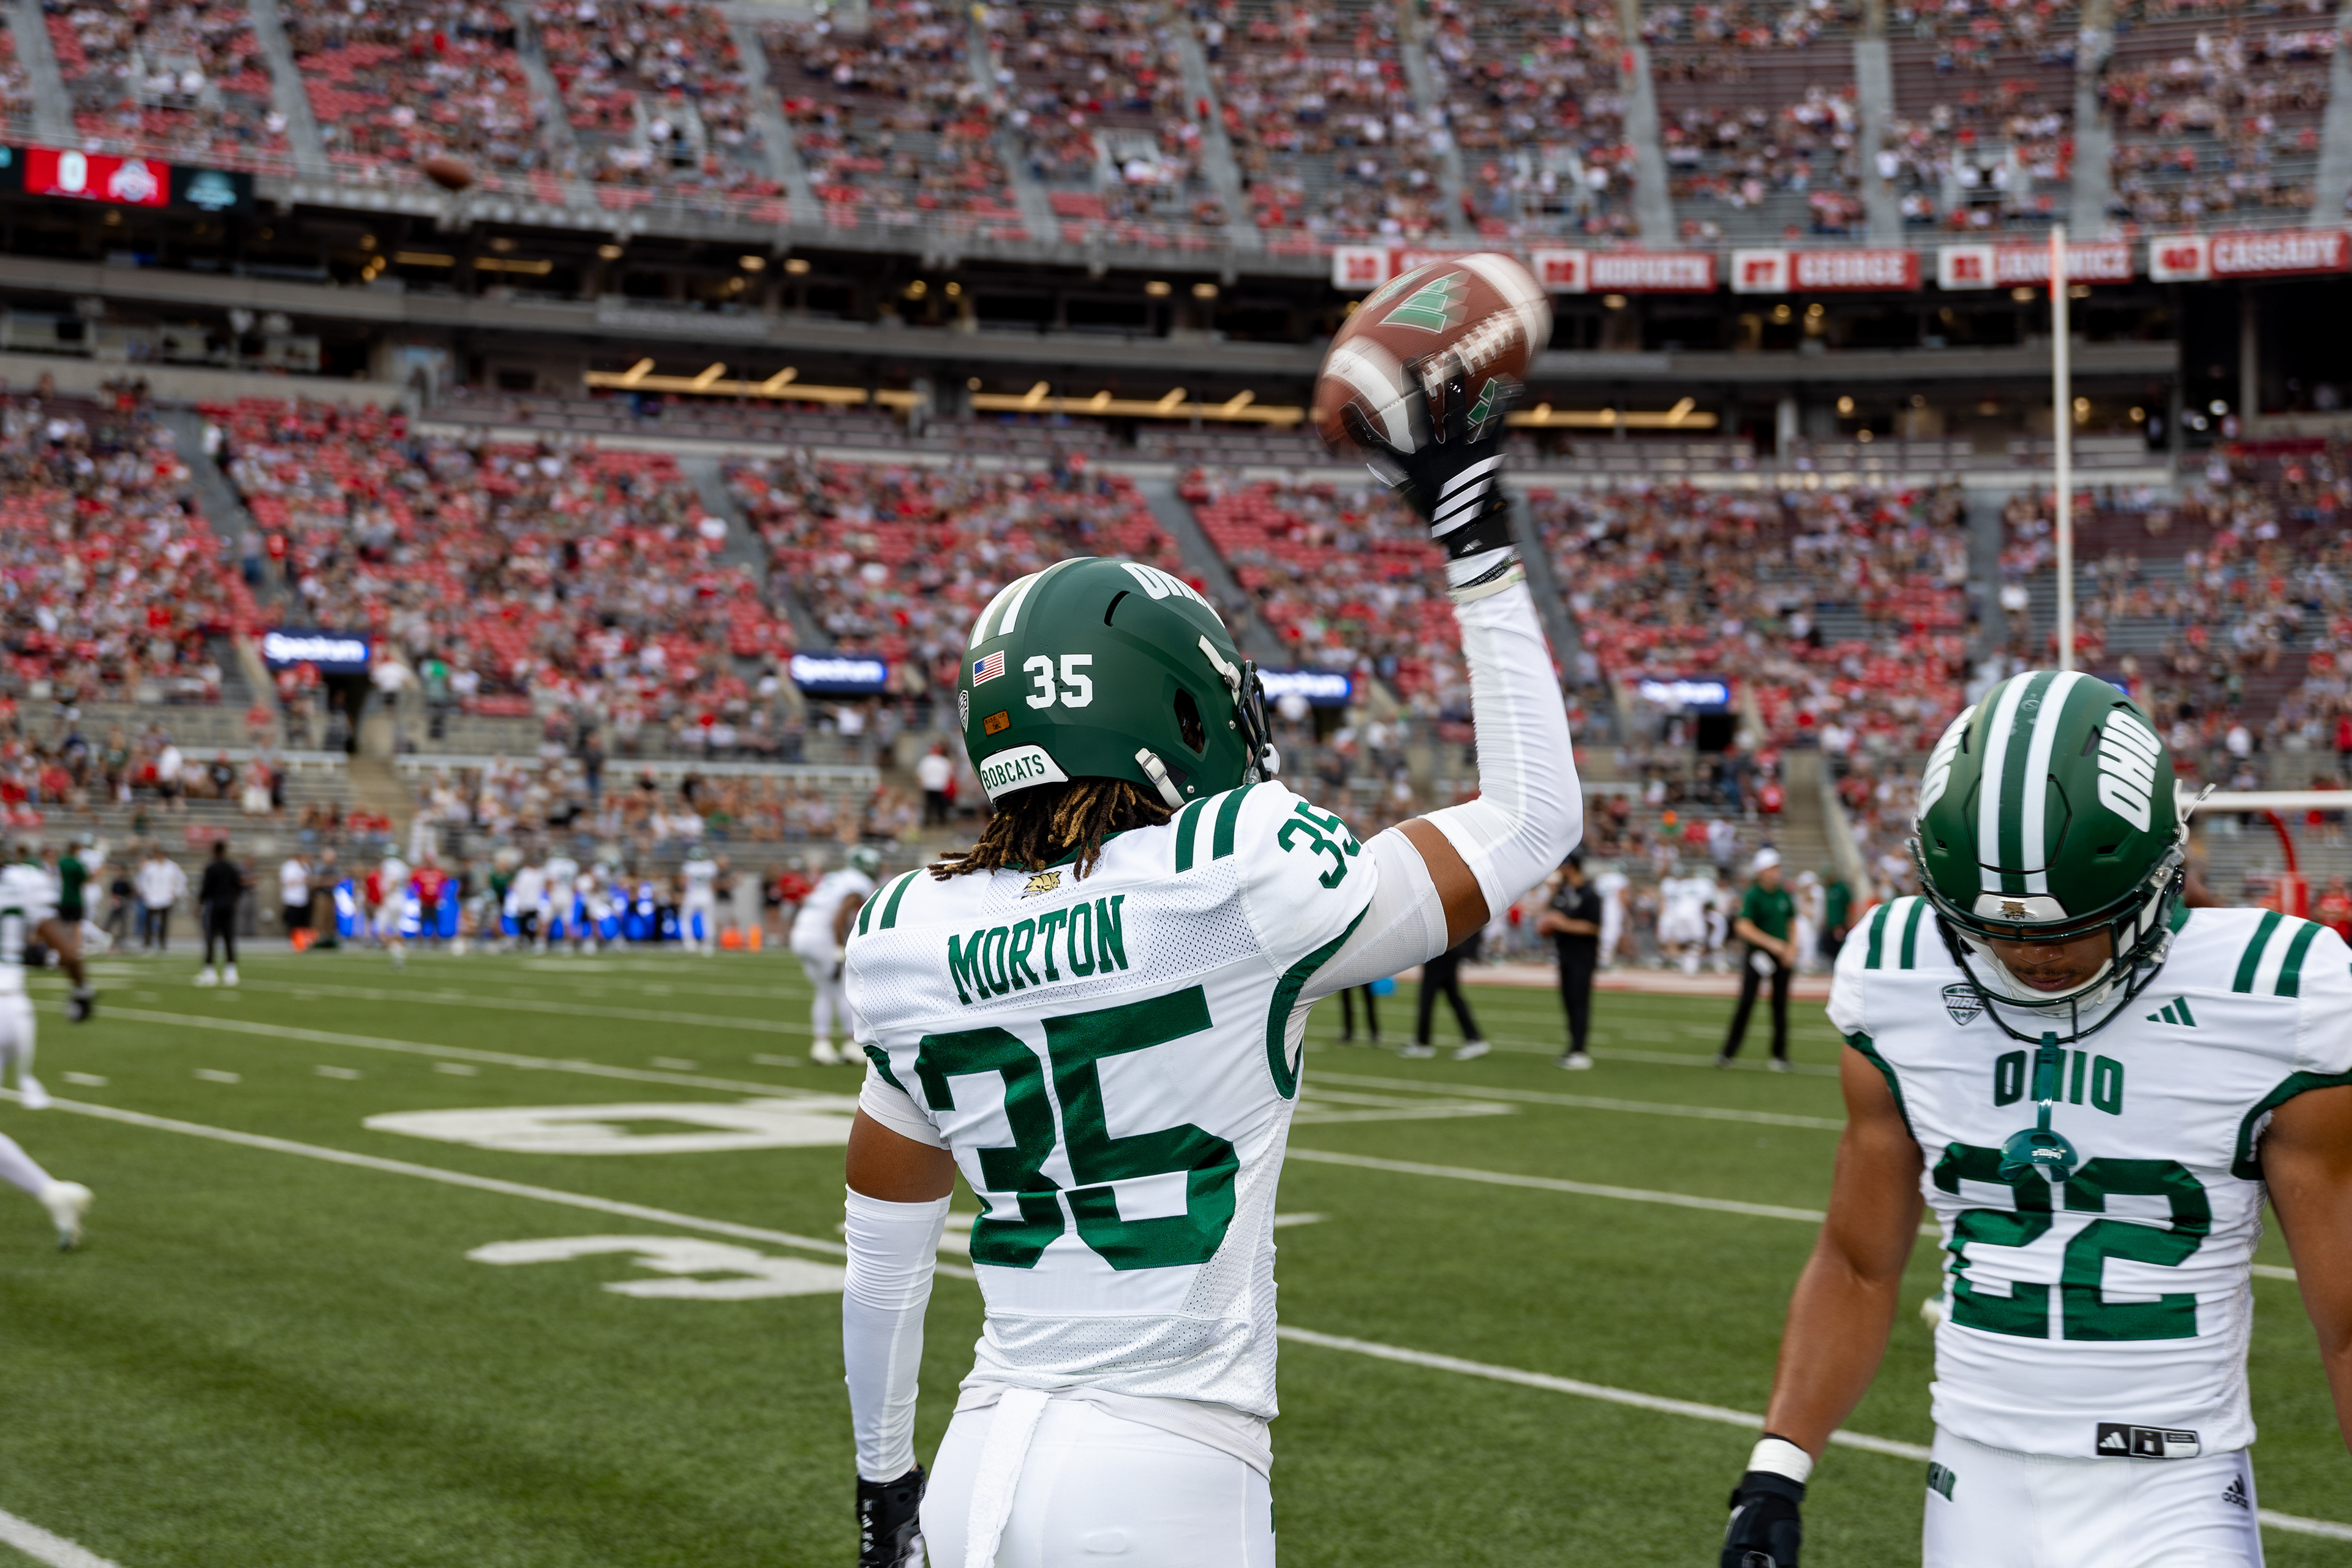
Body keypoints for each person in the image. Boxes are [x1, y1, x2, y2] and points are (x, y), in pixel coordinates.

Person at [837, 393, 1579, 1568]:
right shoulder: (1232, 877)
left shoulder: (908, 931)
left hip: (979, 1459)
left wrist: (886, 1489)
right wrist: (1473, 535)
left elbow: (883, 1257)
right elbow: (1533, 820)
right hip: (1166, 1473)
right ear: (1176, 709)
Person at [1719, 671, 2352, 1568]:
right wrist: (1776, 1472)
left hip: (2175, 1486)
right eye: (1997, 928)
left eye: (2067, 928)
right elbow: (1858, 1262)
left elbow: (2348, 1317)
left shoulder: (2272, 995)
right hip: (1975, 1481)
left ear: (2158, 875)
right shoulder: (1899, 975)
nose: (2030, 955)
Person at [0, 845, 94, 1249]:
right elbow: (68, 950)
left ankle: (52, 1192)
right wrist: (82, 992)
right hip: (15, 1010)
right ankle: (54, 1194)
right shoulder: (22, 880)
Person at [790, 845, 878, 1065]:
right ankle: (850, 1044)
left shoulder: (835, 877)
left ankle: (821, 1045)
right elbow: (838, 919)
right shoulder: (858, 882)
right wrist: (840, 950)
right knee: (844, 990)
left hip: (801, 932)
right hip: (822, 935)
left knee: (825, 991)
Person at [1717, 848, 1797, 1071]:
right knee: (1747, 1002)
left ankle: (1780, 1055)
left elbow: (1792, 923)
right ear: (1761, 872)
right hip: (1759, 954)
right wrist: (1771, 943)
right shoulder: (1753, 895)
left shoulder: (1783, 895)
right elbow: (1743, 926)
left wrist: (1792, 949)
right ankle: (1728, 1052)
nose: (1777, 872)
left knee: (1780, 1004)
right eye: (1772, 868)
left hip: (1781, 955)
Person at [1537, 854, 1600, 1069]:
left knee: (1580, 1001)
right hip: (1564, 954)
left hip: (1583, 956)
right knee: (1569, 1001)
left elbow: (1593, 927)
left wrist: (1562, 924)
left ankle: (1580, 1050)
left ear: (1571, 867)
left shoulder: (1589, 894)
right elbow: (1551, 917)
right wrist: (1548, 926)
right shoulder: (1564, 893)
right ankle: (1573, 1047)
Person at [1405, 927, 1487, 1060]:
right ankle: (1473, 1038)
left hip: (1442, 950)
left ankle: (1423, 1043)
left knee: (1428, 996)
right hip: (1449, 948)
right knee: (1452, 996)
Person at [194, 842, 245, 987]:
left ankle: (210, 970)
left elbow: (206, 889)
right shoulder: (231, 867)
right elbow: (239, 887)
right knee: (229, 937)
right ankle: (231, 970)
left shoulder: (212, 867)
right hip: (229, 905)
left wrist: (199, 905)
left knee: (211, 937)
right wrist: (234, 901)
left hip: (215, 905)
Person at [135, 846, 186, 954]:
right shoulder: (150, 867)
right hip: (152, 899)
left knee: (164, 922)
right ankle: (147, 943)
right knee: (149, 921)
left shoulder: (172, 867)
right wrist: (147, 893)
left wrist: (176, 892)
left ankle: (162, 943)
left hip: (167, 898)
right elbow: (143, 881)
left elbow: (181, 880)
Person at [680, 848, 719, 955]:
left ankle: (689, 943)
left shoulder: (689, 866)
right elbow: (713, 882)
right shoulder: (710, 866)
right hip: (706, 895)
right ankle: (708, 945)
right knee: (708, 920)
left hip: (692, 895)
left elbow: (683, 882)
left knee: (685, 918)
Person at [281, 850, 312, 952]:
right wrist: (301, 880)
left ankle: (302, 942)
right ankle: (293, 942)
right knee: (293, 923)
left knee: (302, 923)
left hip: (303, 899)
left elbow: (309, 881)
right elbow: (287, 882)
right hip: (293, 899)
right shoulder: (289, 867)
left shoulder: (305, 867)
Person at [916, 742, 954, 827]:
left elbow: (920, 775)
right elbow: (950, 775)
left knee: (929, 804)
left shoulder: (926, 760)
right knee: (941, 805)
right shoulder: (944, 761)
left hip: (929, 786)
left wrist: (920, 785)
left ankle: (929, 821)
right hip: (941, 787)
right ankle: (941, 821)